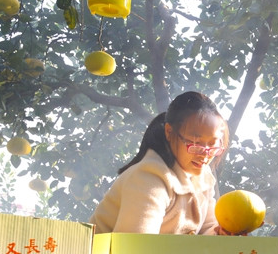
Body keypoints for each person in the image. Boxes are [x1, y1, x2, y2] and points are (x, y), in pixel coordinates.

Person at [89, 91, 231, 235]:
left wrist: (222, 233)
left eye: (213, 145)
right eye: (196, 143)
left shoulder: (202, 178)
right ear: (169, 132)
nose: (205, 154)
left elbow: (207, 229)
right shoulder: (148, 178)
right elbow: (134, 247)